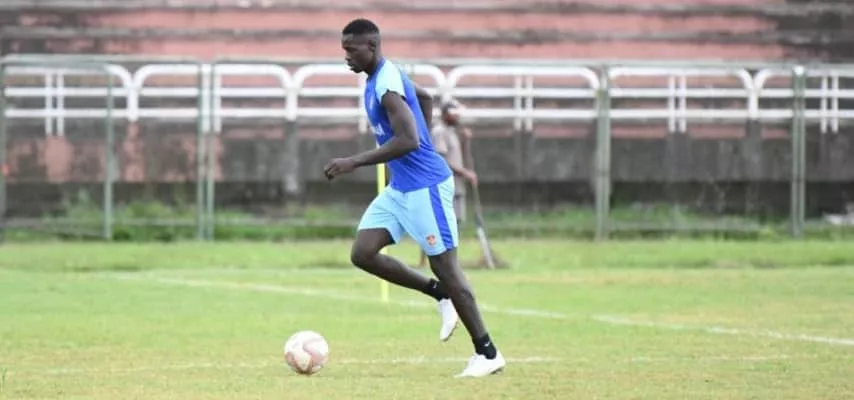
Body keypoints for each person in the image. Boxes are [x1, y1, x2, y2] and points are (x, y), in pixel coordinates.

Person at [323, 18, 505, 377]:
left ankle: (487, 354)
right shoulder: (379, 77)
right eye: (343, 49)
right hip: (401, 189)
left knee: (448, 269)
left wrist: (353, 162)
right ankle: (439, 294)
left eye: (351, 49)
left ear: (371, 47)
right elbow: (424, 97)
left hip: (426, 187)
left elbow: (408, 140)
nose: (346, 56)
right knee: (363, 253)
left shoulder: (386, 85)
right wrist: (422, 141)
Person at [417, 100, 478, 268]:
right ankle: (428, 260)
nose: (458, 117)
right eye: (455, 114)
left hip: (456, 186)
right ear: (446, 114)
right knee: (437, 224)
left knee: (454, 223)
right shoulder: (439, 132)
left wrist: (465, 141)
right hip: (443, 185)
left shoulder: (452, 132)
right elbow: (441, 161)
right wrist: (465, 173)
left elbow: (459, 157)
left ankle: (449, 261)